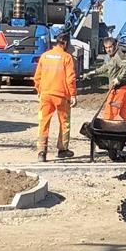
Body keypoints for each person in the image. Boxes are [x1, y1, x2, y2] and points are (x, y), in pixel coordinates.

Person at [32, 32, 77, 161]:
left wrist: (40, 91)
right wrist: (73, 94)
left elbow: (37, 77)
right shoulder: (67, 58)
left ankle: (42, 152)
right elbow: (70, 79)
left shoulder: (44, 56)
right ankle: (62, 149)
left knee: (43, 122)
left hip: (45, 94)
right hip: (61, 96)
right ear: (66, 43)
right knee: (64, 122)